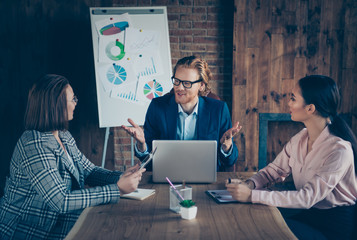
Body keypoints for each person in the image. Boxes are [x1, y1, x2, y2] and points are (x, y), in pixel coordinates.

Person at [0, 74, 145, 239]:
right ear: (56, 105)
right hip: (29, 233)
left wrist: (122, 176)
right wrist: (117, 189)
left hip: (58, 227)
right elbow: (60, 200)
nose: (76, 103)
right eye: (73, 99)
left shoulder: (63, 136)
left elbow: (89, 171)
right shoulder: (34, 144)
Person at [226, 75, 357, 240]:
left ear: (310, 108)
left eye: (293, 99)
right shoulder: (301, 137)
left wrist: (251, 196)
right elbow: (273, 171)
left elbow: (306, 198)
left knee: (263, 230)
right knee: (255, 220)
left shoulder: (339, 150)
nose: (288, 103)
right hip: (309, 215)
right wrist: (250, 184)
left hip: (333, 228)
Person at [122, 56, 241, 171]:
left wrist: (227, 147)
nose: (179, 88)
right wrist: (142, 144)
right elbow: (146, 159)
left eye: (187, 83)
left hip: (206, 177)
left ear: (201, 85)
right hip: (166, 176)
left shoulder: (218, 110)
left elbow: (230, 161)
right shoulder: (157, 107)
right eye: (177, 81)